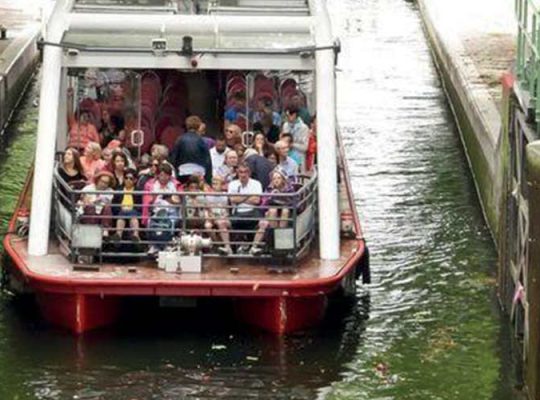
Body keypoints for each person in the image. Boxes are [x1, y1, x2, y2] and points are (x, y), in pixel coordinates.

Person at [250, 168, 294, 255]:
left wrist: (282, 196)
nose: (276, 180)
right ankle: (274, 242)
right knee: (272, 210)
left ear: (283, 179)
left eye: (278, 178)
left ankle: (282, 242)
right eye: (274, 179)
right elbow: (262, 207)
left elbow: (293, 203)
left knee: (285, 211)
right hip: (271, 214)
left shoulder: (289, 188)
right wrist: (271, 196)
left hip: (287, 213)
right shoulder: (269, 189)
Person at [146, 163, 182, 255]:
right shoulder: (152, 185)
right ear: (158, 175)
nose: (164, 177)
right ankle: (153, 246)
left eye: (166, 175)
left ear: (170, 176)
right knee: (150, 222)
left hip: (172, 212)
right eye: (161, 175)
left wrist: (167, 198)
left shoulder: (175, 185)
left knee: (171, 223)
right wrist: (155, 197)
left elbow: (178, 201)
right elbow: (149, 201)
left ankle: (167, 244)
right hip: (156, 211)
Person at [227, 163, 262, 253]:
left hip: (253, 213)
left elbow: (256, 200)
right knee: (222, 223)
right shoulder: (232, 184)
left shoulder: (256, 183)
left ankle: (254, 248)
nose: (243, 174)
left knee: (264, 223)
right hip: (237, 214)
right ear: (237, 173)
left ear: (249, 173)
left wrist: (240, 199)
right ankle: (228, 249)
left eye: (245, 172)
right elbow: (232, 200)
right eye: (241, 172)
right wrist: (249, 195)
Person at [170, 115, 212, 184]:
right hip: (199, 172)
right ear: (198, 126)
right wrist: (208, 179)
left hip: (183, 172)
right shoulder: (201, 141)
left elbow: (174, 158)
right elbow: (207, 160)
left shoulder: (180, 139)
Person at [78, 170, 116, 238]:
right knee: (91, 206)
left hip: (101, 215)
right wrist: (95, 201)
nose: (104, 184)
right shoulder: (88, 188)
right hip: (88, 214)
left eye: (106, 183)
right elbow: (85, 201)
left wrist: (94, 200)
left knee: (107, 207)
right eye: (102, 181)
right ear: (97, 180)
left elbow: (107, 202)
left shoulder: (110, 191)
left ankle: (105, 230)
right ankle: (91, 231)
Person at [203, 175, 233, 255]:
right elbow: (207, 210)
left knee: (221, 222)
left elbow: (228, 211)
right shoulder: (208, 196)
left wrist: (221, 217)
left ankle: (227, 247)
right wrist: (211, 218)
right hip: (212, 217)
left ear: (222, 185)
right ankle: (217, 245)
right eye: (213, 183)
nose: (214, 186)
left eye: (216, 183)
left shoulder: (226, 196)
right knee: (207, 226)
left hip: (224, 218)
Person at [112, 168, 141, 242]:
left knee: (132, 214)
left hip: (133, 211)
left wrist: (130, 209)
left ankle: (135, 235)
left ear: (135, 180)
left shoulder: (138, 191)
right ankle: (118, 235)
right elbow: (114, 205)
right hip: (121, 211)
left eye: (131, 178)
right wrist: (121, 208)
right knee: (122, 214)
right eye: (126, 178)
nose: (128, 180)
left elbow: (140, 206)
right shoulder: (118, 190)